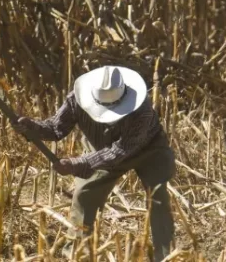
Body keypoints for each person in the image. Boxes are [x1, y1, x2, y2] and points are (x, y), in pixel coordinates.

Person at [15, 65, 175, 261]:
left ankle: (166, 255)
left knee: (157, 198)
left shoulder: (142, 110)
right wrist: (33, 128)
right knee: (84, 196)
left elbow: (120, 151)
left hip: (148, 149)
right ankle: (78, 254)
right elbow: (56, 128)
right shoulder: (76, 99)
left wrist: (79, 163)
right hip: (100, 148)